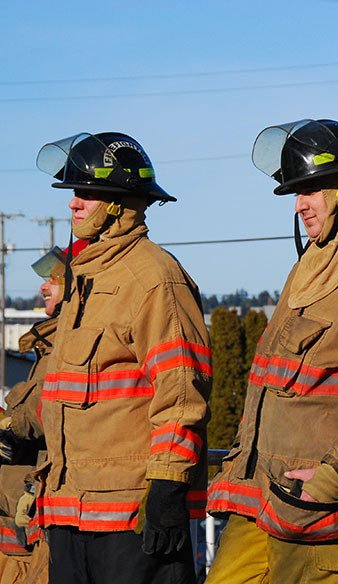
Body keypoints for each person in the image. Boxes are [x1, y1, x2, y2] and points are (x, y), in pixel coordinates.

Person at [205, 119, 338, 583]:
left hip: (320, 515)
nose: (301, 204)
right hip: (257, 500)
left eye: (311, 190)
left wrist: (332, 478)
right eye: (296, 193)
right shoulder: (308, 271)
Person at [35, 132, 212, 584]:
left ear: (120, 203)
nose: (75, 203)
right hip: (69, 511)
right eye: (74, 193)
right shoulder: (83, 280)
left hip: (130, 519)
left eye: (89, 193)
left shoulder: (153, 278)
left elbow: (182, 392)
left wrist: (169, 487)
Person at [0, 241, 86, 584]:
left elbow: (39, 415)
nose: (42, 285)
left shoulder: (66, 345)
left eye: (53, 277)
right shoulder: (50, 343)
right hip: (23, 523)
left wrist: (9, 425)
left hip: (43, 518)